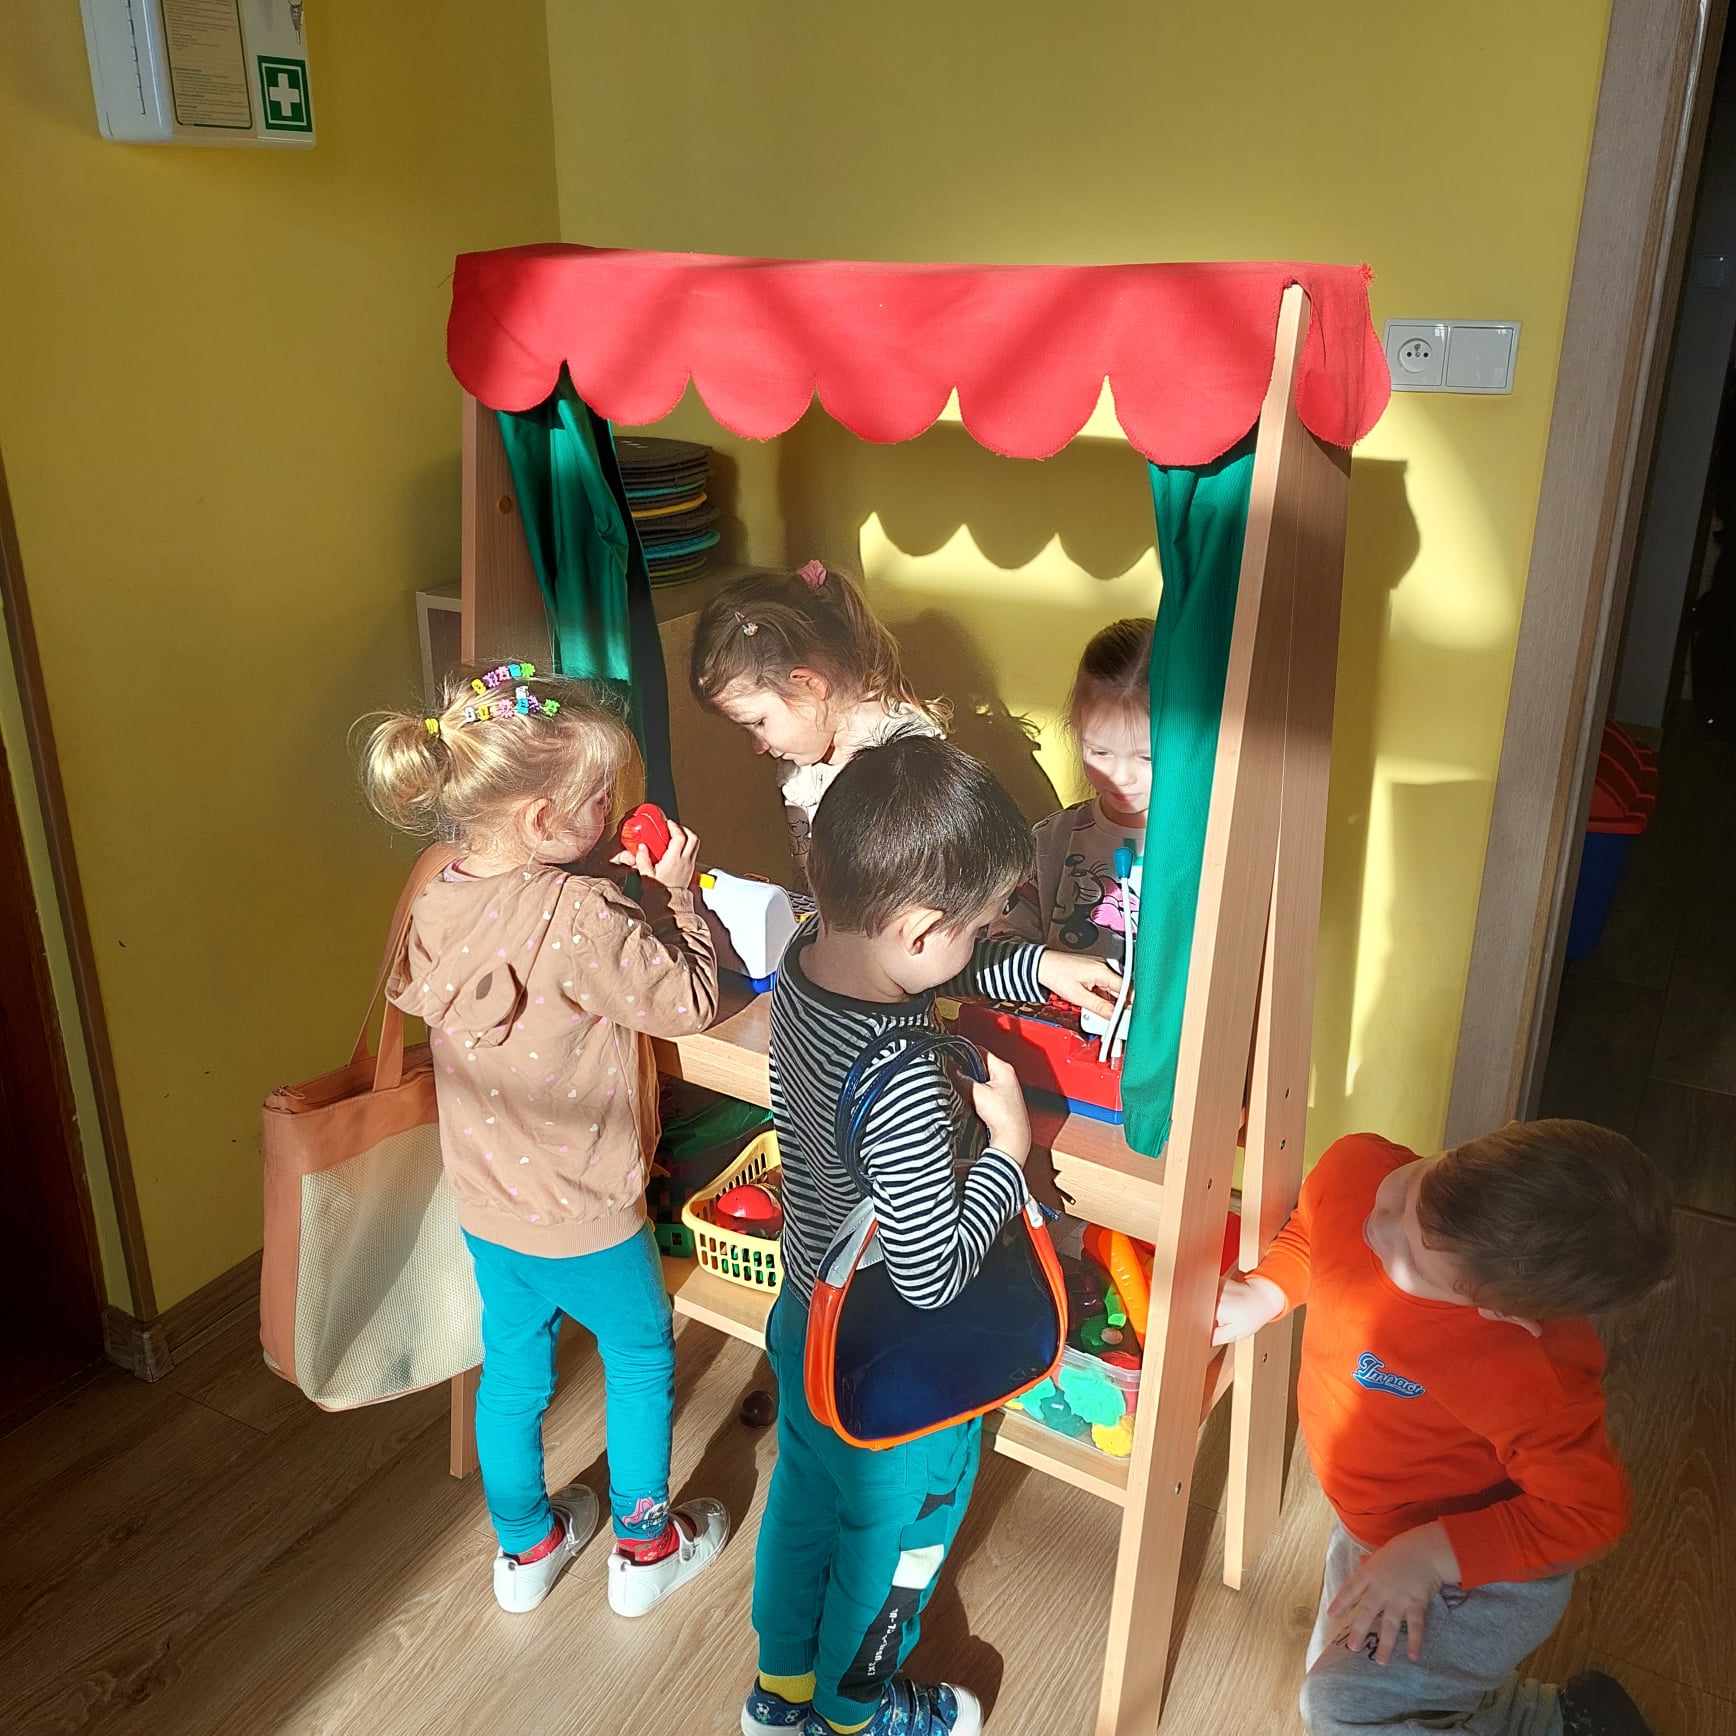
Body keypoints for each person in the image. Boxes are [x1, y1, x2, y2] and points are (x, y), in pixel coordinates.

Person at [741, 733, 1119, 1736]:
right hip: (893, 1362)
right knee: (892, 1541)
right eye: (983, 922)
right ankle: (854, 1709)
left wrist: (1039, 963)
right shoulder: (905, 1084)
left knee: (805, 1497)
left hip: (806, 1313)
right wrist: (1007, 1153)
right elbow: (933, 1273)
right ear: (916, 929)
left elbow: (928, 962)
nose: (986, 934)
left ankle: (781, 1688)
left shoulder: (811, 954)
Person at [359, 664, 729, 1619]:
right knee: (641, 1358)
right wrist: (678, 898)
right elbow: (687, 1002)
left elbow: (523, 929)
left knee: (514, 1373)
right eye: (596, 800)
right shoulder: (580, 914)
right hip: (587, 1209)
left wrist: (604, 887)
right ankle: (645, 1548)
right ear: (537, 818)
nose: (610, 813)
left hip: (487, 1204)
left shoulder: (436, 888)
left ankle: (525, 1547)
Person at [1213, 1119, 1676, 1736]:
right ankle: (1557, 1721)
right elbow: (1317, 1231)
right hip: (1375, 1532)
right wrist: (1267, 1292)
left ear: (1500, 1313)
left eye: (1409, 1254)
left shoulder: (1528, 1368)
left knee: (1344, 1707)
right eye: (1418, 1181)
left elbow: (1589, 1514)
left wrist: (1430, 1555)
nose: (1378, 1221)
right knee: (1344, 1674)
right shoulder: (1360, 1170)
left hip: (1477, 1567)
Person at [690, 559, 944, 882]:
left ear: (810, 685)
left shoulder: (908, 760)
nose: (758, 747)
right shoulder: (805, 759)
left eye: (759, 723)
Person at [1001, 617, 1152, 962]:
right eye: (1100, 752)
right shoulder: (1049, 841)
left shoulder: (1204, 848)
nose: (1121, 776)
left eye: (1146, 757)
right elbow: (1005, 943)